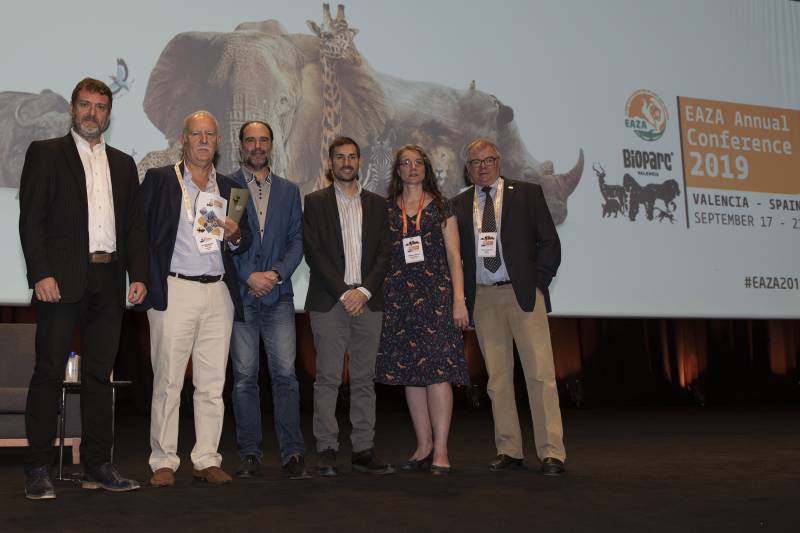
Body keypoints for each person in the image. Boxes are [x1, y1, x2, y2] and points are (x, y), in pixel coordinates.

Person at [18, 77, 148, 499]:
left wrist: (140, 275)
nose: (93, 113)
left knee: (98, 376)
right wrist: (40, 273)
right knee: (48, 372)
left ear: (109, 114)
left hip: (109, 280)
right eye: (86, 105)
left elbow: (133, 227)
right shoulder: (45, 153)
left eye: (101, 107)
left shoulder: (125, 163)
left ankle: (99, 464)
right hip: (60, 280)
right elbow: (31, 219)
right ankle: (37, 467)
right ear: (73, 110)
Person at [139, 110, 251, 487]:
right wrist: (143, 280)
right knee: (168, 381)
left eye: (210, 135)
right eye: (196, 134)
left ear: (218, 142)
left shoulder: (232, 187)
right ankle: (163, 461)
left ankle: (206, 458)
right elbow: (139, 233)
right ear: (183, 139)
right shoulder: (159, 180)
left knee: (212, 383)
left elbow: (242, 241)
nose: (204, 140)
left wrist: (234, 235)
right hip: (175, 289)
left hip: (218, 291)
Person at [452, 138, 567, 476]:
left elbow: (550, 244)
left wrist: (537, 284)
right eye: (475, 162)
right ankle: (509, 450)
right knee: (497, 379)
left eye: (488, 160)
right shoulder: (458, 204)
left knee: (540, 375)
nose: (482, 166)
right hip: (483, 298)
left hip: (523, 295)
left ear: (500, 162)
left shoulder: (527, 193)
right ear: (467, 168)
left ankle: (551, 453)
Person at [375, 145, 470, 475]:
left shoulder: (443, 207)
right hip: (399, 300)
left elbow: (455, 257)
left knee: (438, 373)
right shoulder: (387, 210)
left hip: (437, 299)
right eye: (406, 164)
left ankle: (442, 450)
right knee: (410, 374)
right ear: (398, 171)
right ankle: (423, 445)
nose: (412, 169)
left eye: (418, 163)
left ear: (425, 169)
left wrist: (459, 300)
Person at [303, 136, 394, 476]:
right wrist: (345, 292)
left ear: (360, 162)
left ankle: (363, 449)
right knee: (326, 378)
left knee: (364, 379)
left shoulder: (377, 204)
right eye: (339, 157)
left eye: (352, 157)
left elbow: (385, 254)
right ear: (330, 163)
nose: (345, 163)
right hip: (330, 301)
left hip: (368, 303)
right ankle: (326, 449)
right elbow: (314, 253)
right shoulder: (314, 202)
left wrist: (365, 291)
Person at [228, 121, 308, 480]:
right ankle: (249, 454)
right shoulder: (226, 186)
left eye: (263, 140)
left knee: (286, 377)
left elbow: (297, 242)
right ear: (241, 145)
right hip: (241, 297)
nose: (257, 146)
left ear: (272, 145)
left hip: (278, 296)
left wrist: (274, 275)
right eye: (251, 140)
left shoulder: (291, 191)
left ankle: (292, 453)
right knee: (244, 379)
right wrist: (248, 275)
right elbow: (221, 240)